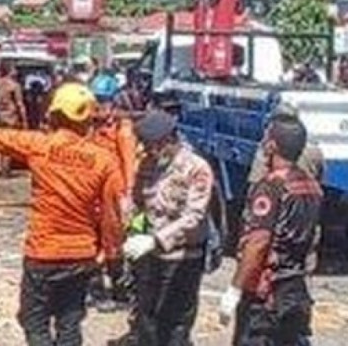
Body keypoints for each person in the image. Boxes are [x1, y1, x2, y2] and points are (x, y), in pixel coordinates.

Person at [0, 83, 124, 346]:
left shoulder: (40, 145)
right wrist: (113, 256)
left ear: (55, 115)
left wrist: (39, 132)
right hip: (81, 254)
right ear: (88, 119)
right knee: (69, 324)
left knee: (33, 320)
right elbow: (112, 216)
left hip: (43, 253)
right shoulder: (104, 160)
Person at [220, 118, 323, 345]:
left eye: (266, 138)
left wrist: (235, 289)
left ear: (272, 146)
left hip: (266, 293)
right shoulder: (311, 186)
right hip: (296, 289)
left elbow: (258, 242)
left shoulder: (271, 186)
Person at [124, 111, 214, 346]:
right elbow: (138, 203)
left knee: (175, 324)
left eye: (153, 146)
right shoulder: (148, 164)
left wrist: (156, 239)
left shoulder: (196, 168)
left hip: (184, 257)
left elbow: (194, 215)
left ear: (169, 140)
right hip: (151, 257)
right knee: (147, 320)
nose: (149, 152)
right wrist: (130, 228)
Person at [89, 73, 139, 313]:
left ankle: (120, 292)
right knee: (91, 238)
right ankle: (96, 290)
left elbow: (129, 163)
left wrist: (127, 195)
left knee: (114, 241)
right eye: (96, 99)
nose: (99, 104)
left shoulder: (122, 128)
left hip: (113, 191)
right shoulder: (91, 125)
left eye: (103, 99)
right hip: (92, 190)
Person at [0, 62, 28, 177]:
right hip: (11, 116)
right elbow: (20, 103)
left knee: (0, 142)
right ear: (10, 71)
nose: (16, 70)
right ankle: (5, 169)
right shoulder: (14, 85)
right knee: (8, 143)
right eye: (14, 68)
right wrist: (24, 119)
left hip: (0, 115)